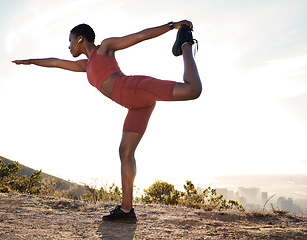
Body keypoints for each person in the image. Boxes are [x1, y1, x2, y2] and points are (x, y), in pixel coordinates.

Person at [12, 20, 202, 222]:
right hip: (136, 105)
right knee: (125, 152)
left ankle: (185, 44)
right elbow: (56, 62)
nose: (68, 47)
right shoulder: (85, 65)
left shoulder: (105, 47)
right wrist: (31, 61)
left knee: (192, 90)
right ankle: (127, 210)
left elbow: (140, 35)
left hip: (136, 88)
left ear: (80, 38)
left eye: (70, 41)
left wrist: (172, 26)